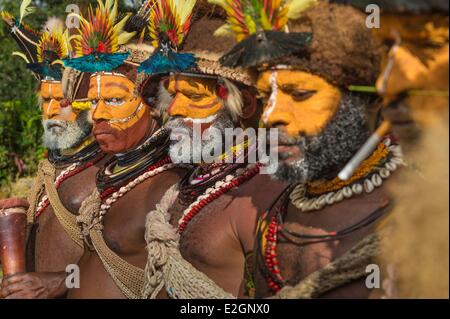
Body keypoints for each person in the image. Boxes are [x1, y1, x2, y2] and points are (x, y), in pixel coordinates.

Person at [219, 1, 403, 298]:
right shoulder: (278, 210)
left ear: (369, 100)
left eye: (300, 94)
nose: (269, 115)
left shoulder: (422, 213)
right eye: (267, 96)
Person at [61, 0, 187, 299]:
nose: (98, 114)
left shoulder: (173, 189)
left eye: (115, 100)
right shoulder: (112, 174)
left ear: (154, 105)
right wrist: (58, 283)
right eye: (93, 102)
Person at [0, 4, 107, 299]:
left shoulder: (111, 172)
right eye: (45, 100)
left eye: (60, 101)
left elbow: (128, 263)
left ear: (86, 101)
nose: (50, 112)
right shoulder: (52, 167)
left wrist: (60, 282)